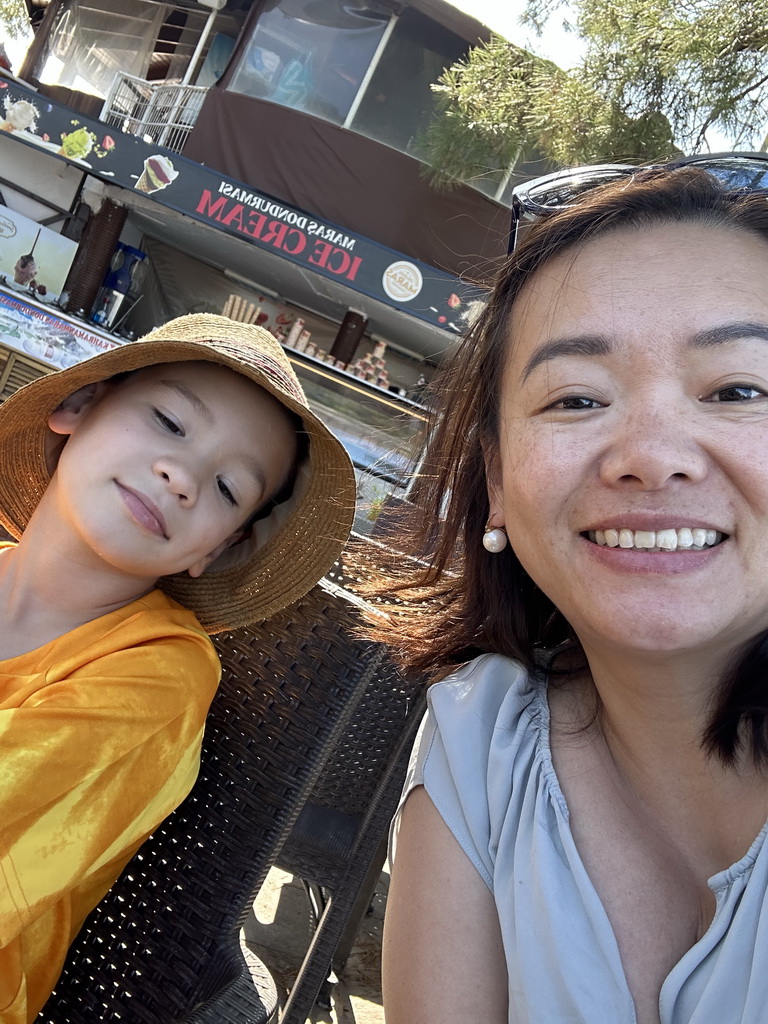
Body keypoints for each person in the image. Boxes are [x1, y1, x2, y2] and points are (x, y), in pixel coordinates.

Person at [379, 157, 768, 1024]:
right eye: (577, 399)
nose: (650, 453)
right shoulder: (483, 740)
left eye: (739, 388)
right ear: (500, 484)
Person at [0, 312, 355, 1023]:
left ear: (216, 551)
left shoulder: (156, 675)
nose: (183, 476)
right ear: (78, 406)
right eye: (167, 420)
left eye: (228, 489)